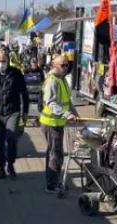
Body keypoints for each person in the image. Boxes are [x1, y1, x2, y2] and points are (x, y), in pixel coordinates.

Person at [0, 51, 30, 180]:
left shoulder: (16, 73)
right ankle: (1, 167)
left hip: (13, 111)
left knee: (11, 137)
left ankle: (11, 165)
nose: (1, 64)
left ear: (8, 61)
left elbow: (24, 94)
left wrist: (25, 112)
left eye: (3, 61)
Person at [40, 55, 78, 193]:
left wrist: (74, 112)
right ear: (54, 65)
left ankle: (53, 181)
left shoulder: (62, 80)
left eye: (67, 65)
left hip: (58, 122)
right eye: (63, 65)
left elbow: (67, 101)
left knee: (54, 152)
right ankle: (51, 185)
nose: (66, 68)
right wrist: (66, 114)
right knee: (55, 154)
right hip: (51, 122)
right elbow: (51, 103)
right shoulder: (52, 81)